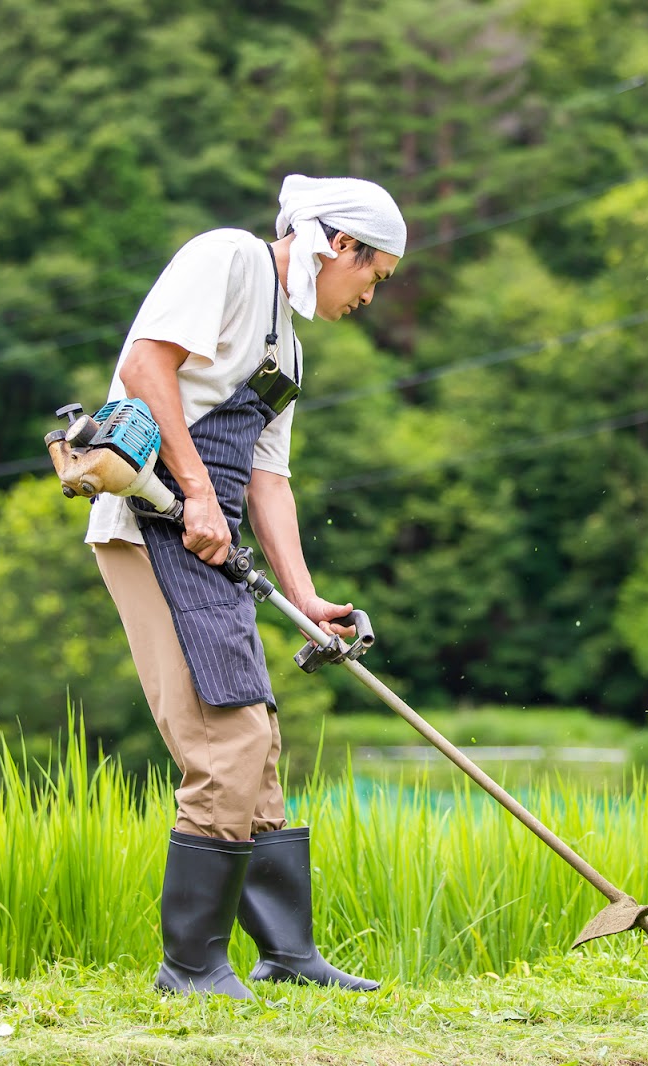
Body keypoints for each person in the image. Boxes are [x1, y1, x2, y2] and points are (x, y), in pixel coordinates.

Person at [85, 174, 405, 999]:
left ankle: (286, 954)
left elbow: (269, 481)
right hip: (152, 525)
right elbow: (145, 363)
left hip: (214, 541)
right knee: (222, 744)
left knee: (256, 738)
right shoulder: (226, 259)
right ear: (340, 245)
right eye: (377, 272)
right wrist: (193, 491)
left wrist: (308, 604)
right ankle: (190, 968)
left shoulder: (286, 348)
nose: (374, 290)